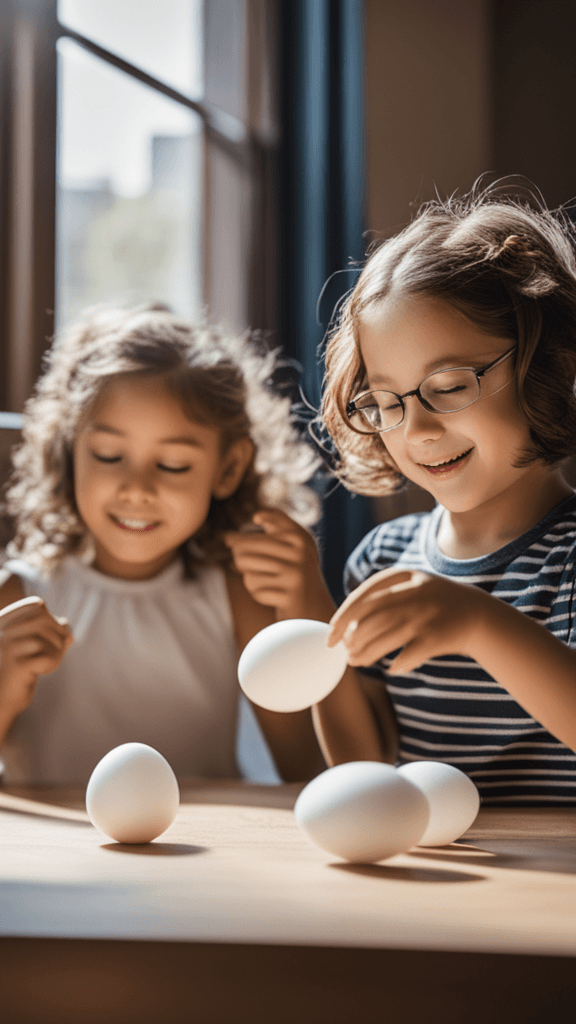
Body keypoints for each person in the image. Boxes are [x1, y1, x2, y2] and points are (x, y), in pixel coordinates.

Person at [0, 304, 382, 786]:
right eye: (109, 455)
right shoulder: (16, 598)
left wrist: (307, 602)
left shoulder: (237, 595)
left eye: (174, 465)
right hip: (54, 859)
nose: (136, 488)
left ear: (227, 469)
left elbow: (311, 776)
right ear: (69, 451)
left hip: (199, 854)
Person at [321, 184, 576, 804]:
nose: (419, 429)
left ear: (549, 365)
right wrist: (313, 654)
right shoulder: (384, 562)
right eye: (386, 402)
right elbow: (369, 767)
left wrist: (479, 624)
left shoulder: (567, 563)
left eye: (451, 384)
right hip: (446, 890)